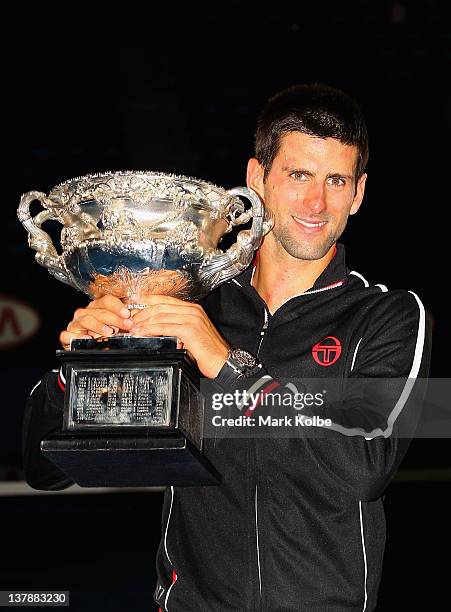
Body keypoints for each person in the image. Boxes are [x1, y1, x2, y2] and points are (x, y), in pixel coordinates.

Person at [23, 84, 432, 611]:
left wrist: (228, 367)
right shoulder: (191, 304)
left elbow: (365, 463)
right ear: (257, 179)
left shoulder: (386, 315)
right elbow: (46, 468)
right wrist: (81, 367)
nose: (316, 202)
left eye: (336, 180)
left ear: (358, 194)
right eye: (299, 175)